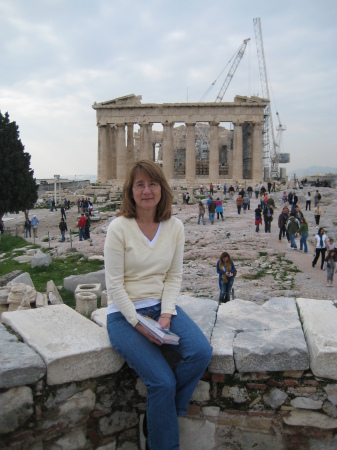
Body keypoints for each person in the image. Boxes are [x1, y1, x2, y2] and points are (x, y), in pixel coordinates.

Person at [104, 160, 212, 450]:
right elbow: (114, 285)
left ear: (162, 189)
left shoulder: (175, 226)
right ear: (131, 191)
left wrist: (165, 314)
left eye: (152, 184)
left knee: (201, 352)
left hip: (160, 309)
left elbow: (174, 275)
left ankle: (159, 417)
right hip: (124, 316)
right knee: (161, 382)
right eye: (139, 184)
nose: (147, 190)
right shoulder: (118, 228)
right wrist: (139, 324)